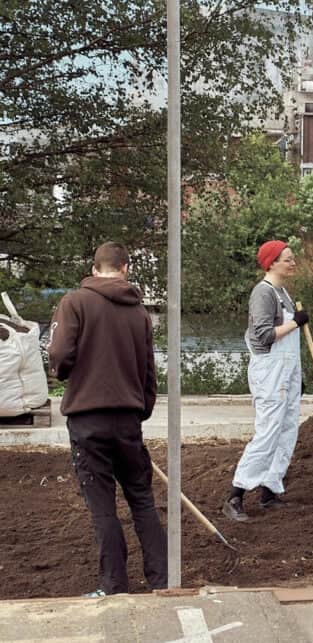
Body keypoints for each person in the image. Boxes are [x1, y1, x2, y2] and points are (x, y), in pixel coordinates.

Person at [46, 242, 166, 596]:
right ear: (125, 268)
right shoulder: (139, 313)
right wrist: (140, 409)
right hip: (127, 419)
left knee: (103, 506)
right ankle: (162, 580)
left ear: (95, 269)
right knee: (141, 498)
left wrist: (64, 372)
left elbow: (58, 353)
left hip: (88, 420)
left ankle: (113, 585)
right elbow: (148, 371)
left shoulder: (75, 302)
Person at [223, 240, 309, 521]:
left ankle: (270, 491)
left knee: (286, 430)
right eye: (287, 259)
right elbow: (263, 335)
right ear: (271, 263)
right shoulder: (263, 293)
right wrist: (296, 322)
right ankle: (235, 496)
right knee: (268, 431)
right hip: (270, 370)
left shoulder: (283, 292)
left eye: (292, 258)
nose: (293, 262)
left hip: (287, 370)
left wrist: (297, 375)